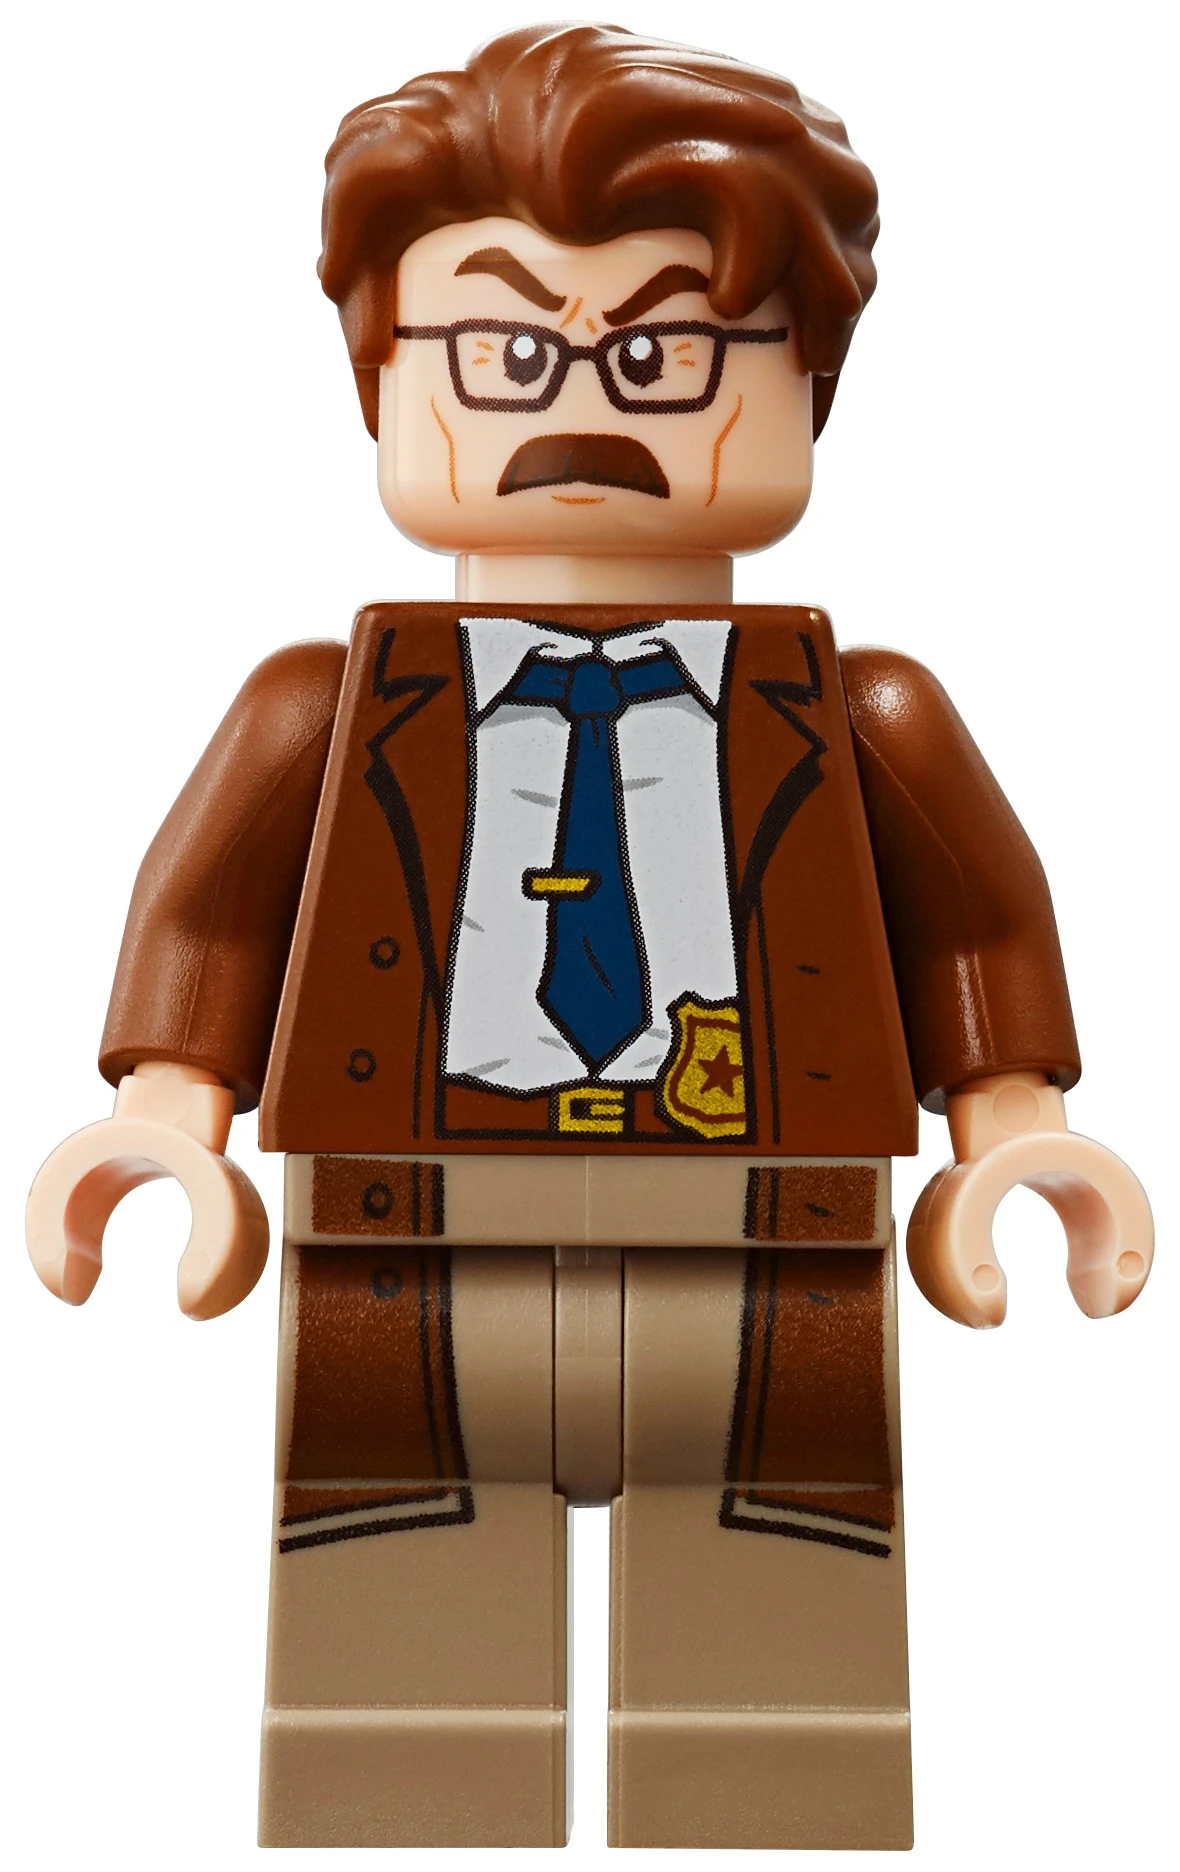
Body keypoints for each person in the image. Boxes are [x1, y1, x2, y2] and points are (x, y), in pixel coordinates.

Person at [25, 21, 1152, 1850]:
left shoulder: (860, 712)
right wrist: (164, 1117)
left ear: (807, 382)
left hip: (776, 1226)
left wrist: (1015, 1134)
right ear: (384, 378)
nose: (581, 407)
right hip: (405, 1223)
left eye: (664, 354)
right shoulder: (330, 706)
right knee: (392, 1590)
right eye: (500, 351)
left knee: (781, 1596)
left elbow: (981, 923)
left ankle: (767, 1796)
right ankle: (408, 1795)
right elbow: (208, 914)